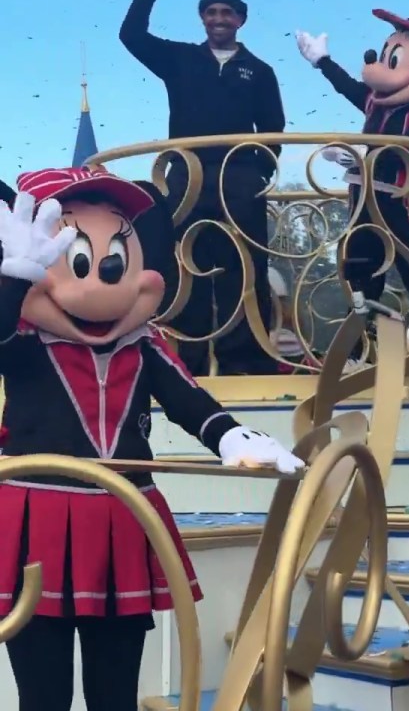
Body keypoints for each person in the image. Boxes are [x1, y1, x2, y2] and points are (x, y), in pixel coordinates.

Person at [0, 166, 303, 711]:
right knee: (41, 696)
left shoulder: (145, 346)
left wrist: (233, 437)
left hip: (124, 523)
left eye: (114, 260)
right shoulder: (22, 342)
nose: (100, 281)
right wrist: (12, 283)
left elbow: (190, 402)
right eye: (78, 261)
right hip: (35, 526)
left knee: (114, 693)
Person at [119, 0, 286, 377]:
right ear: (201, 19)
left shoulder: (259, 70)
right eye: (211, 12)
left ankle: (245, 362)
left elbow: (273, 128)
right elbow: (131, 36)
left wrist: (257, 174)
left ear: (241, 20)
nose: (218, 19)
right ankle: (184, 360)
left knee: (244, 268)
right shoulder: (180, 59)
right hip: (187, 179)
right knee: (184, 267)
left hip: (240, 180)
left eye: (227, 13)